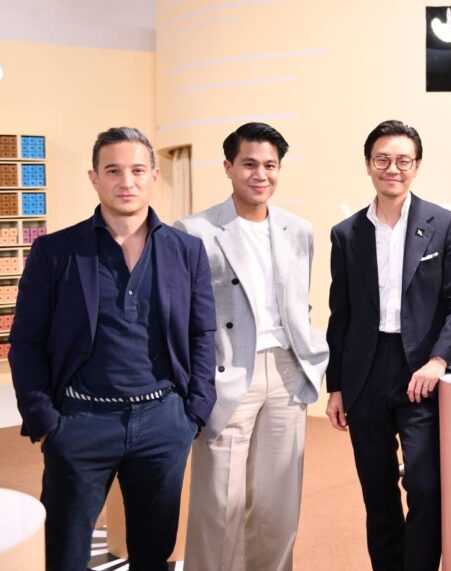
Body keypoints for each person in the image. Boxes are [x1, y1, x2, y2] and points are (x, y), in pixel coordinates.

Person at [9, 127, 216, 571]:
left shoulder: (187, 251)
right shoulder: (54, 252)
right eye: (113, 171)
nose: (127, 182)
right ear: (94, 178)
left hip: (163, 423)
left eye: (138, 170)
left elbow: (203, 333)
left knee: (152, 556)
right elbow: (25, 342)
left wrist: (194, 412)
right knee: (64, 555)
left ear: (154, 176)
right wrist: (45, 420)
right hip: (79, 423)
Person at [325, 119, 451, 571]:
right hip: (365, 373)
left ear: (416, 166)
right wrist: (336, 386)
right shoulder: (346, 234)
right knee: (377, 493)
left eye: (402, 160)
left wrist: (439, 360)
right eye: (382, 159)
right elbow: (341, 314)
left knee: (426, 487)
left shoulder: (446, 225)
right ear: (368, 164)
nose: (392, 168)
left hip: (422, 372)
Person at [178, 122, 328, 571]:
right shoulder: (194, 231)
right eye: (249, 164)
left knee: (278, 505)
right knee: (219, 502)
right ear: (228, 167)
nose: (260, 174)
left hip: (286, 371)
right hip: (227, 371)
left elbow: (299, 301)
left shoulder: (298, 230)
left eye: (270, 165)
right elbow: (180, 315)